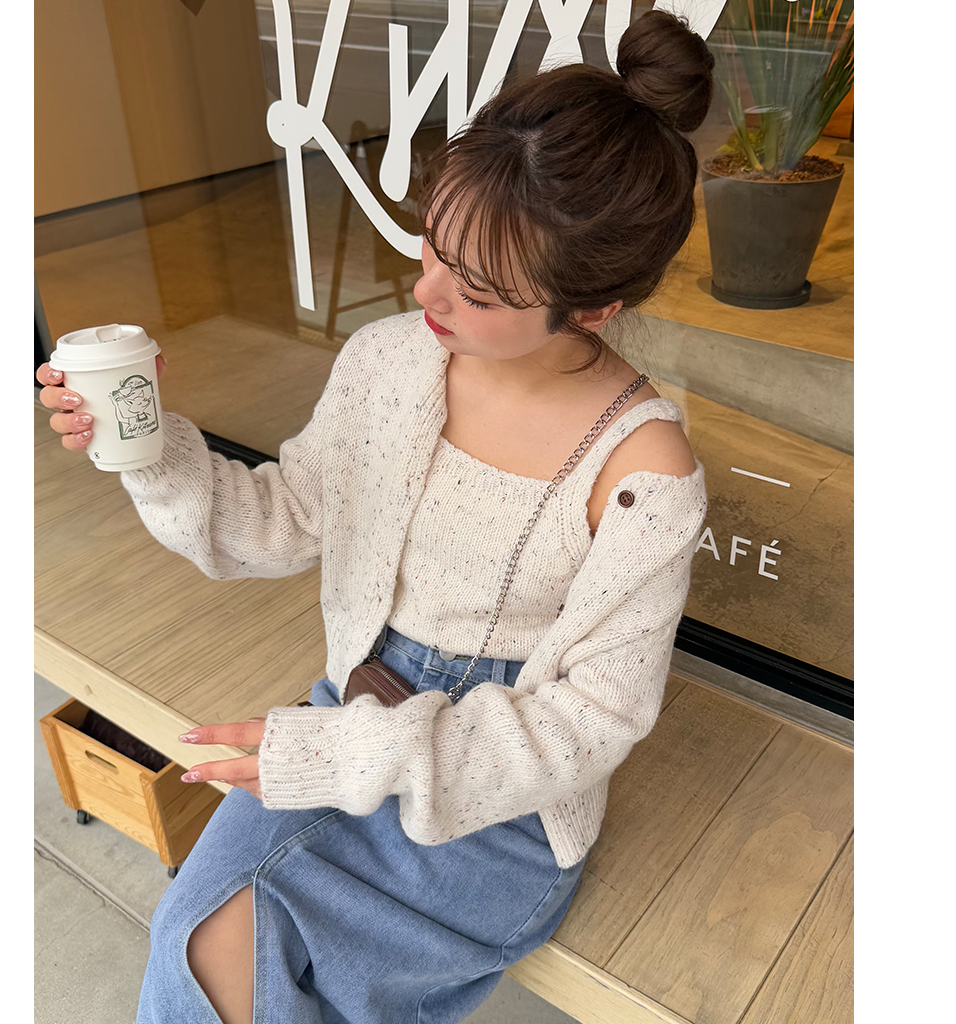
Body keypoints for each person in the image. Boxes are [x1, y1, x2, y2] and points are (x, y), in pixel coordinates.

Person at [36, 10, 714, 1023]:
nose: (426, 289)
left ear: (592, 308)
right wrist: (152, 449)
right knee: (200, 943)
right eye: (433, 241)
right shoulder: (391, 362)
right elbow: (278, 518)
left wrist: (356, 754)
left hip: (504, 807)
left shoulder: (644, 475)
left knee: (259, 968)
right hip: (349, 705)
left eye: (476, 289)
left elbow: (589, 722)